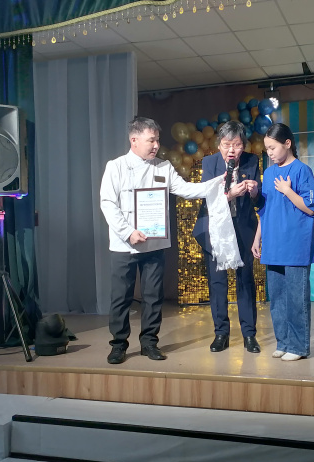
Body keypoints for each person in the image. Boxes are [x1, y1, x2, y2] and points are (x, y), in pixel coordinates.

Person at [100, 117, 219, 364]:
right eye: (151, 140)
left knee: (153, 297)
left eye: (157, 140)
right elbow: (108, 204)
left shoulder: (163, 167)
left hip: (154, 244)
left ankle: (149, 343)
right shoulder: (116, 166)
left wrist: (219, 185)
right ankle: (118, 345)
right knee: (121, 298)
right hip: (124, 244)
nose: (156, 145)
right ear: (134, 140)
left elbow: (186, 189)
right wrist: (128, 232)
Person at [252, 123, 314, 361]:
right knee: (277, 298)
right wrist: (258, 237)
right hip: (274, 243)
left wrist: (288, 191)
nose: (269, 153)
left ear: (287, 143)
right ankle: (283, 342)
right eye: (267, 149)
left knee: (296, 298)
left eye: (272, 147)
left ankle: (299, 347)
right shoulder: (269, 173)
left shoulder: (302, 170)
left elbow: (311, 208)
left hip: (295, 244)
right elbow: (265, 210)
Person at [192, 121, 262, 353]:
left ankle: (249, 335)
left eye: (237, 145)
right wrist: (229, 195)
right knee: (217, 282)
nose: (231, 150)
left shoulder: (252, 161)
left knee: (245, 281)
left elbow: (259, 200)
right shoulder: (209, 163)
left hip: (243, 229)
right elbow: (205, 197)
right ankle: (221, 333)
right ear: (219, 145)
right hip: (215, 230)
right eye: (226, 145)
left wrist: (254, 191)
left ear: (244, 145)